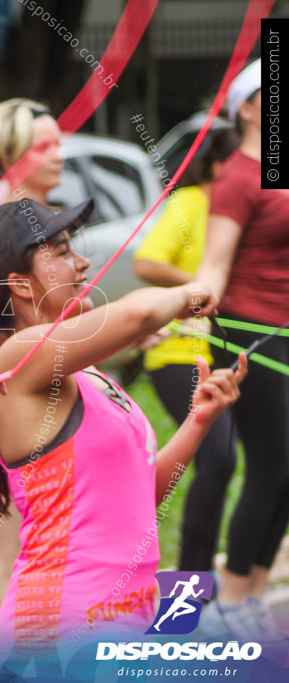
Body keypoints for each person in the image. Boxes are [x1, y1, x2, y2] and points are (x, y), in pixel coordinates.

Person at [0, 197, 246, 659]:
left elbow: (136, 497)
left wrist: (197, 422)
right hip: (60, 624)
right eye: (63, 250)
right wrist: (192, 291)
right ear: (21, 286)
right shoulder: (17, 359)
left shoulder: (90, 375)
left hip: (128, 615)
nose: (83, 262)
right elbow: (137, 315)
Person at [195, 58, 289, 641]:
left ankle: (254, 587)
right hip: (250, 334)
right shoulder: (237, 178)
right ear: (249, 109)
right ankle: (230, 596)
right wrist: (180, 309)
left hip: (285, 331)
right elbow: (213, 267)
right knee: (272, 464)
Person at [0, 98, 65, 636]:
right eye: (43, 146)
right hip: (10, 400)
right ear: (10, 155)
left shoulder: (48, 220)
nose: (59, 154)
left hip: (51, 395)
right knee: (11, 552)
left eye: (58, 142)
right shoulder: (3, 228)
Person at [132, 127, 239, 573]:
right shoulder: (190, 202)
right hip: (179, 353)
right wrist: (199, 286)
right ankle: (190, 592)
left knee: (233, 465)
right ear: (218, 165)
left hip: (230, 353)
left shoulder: (246, 209)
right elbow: (145, 263)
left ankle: (216, 584)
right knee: (218, 458)